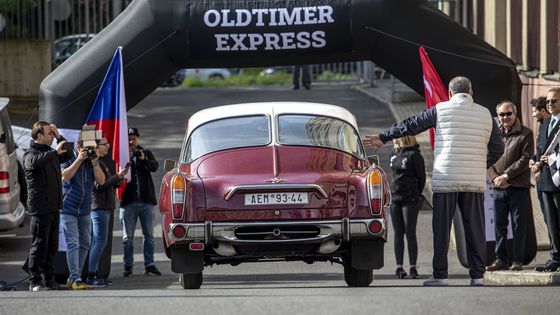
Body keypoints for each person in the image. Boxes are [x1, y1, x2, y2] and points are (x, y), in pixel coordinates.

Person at [363, 76, 504, 286]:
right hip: (473, 181)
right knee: (475, 229)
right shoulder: (486, 114)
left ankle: (440, 275)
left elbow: (412, 125)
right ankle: (477, 275)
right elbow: (498, 148)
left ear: (449, 93)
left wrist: (384, 136)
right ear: (471, 92)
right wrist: (479, 164)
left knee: (442, 229)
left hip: (446, 178)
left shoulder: (441, 109)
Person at [24, 122, 72, 291]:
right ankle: (34, 281)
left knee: (52, 246)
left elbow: (69, 154)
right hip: (40, 208)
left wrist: (59, 136)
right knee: (39, 244)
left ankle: (49, 280)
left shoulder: (50, 153)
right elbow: (33, 163)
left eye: (53, 133)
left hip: (54, 207)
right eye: (49, 133)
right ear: (38, 136)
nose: (52, 136)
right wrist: (54, 152)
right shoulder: (31, 153)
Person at [486, 101, 534, 272]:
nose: (505, 117)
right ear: (497, 116)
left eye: (508, 114)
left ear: (515, 114)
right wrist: (495, 179)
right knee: (499, 226)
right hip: (498, 187)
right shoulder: (491, 134)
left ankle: (518, 260)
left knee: (518, 225)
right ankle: (501, 260)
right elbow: (486, 159)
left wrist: (506, 176)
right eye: (501, 114)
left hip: (518, 187)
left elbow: (525, 159)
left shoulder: (526, 133)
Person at [61, 136, 106, 289]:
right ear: (79, 147)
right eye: (88, 148)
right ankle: (75, 279)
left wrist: (94, 163)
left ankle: (75, 277)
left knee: (86, 243)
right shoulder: (69, 157)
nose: (90, 151)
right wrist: (79, 160)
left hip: (85, 209)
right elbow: (65, 176)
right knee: (73, 243)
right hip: (68, 208)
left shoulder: (91, 161)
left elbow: (101, 181)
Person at [86, 137, 129, 287]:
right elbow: (100, 186)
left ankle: (95, 273)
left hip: (104, 206)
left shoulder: (101, 162)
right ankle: (91, 275)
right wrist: (116, 177)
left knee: (99, 242)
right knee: (99, 242)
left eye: (108, 144)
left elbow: (107, 183)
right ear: (96, 147)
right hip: (99, 207)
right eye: (105, 144)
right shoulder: (95, 163)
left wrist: (118, 180)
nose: (108, 147)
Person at [120, 127, 161, 277]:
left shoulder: (146, 153)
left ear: (138, 139)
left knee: (149, 235)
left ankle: (149, 265)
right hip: (128, 202)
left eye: (134, 138)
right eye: (129, 139)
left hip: (146, 202)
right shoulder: (123, 155)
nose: (131, 141)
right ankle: (128, 265)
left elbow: (155, 167)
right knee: (127, 237)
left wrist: (143, 159)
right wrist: (129, 159)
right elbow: (118, 172)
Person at [389, 135, 426, 279]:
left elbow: (421, 178)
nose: (392, 139)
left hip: (410, 198)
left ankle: (412, 267)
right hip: (395, 198)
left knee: (410, 231)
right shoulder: (393, 154)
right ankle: (399, 267)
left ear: (402, 138)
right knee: (398, 232)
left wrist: (416, 193)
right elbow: (393, 174)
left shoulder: (415, 155)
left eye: (395, 136)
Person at [533, 87, 560, 272]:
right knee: (550, 220)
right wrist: (535, 163)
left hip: (558, 178)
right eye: (548, 101)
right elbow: (540, 150)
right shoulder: (546, 122)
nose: (550, 104)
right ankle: (555, 256)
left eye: (554, 101)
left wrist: (549, 159)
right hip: (545, 179)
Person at [530, 96, 551, 221]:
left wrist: (540, 169)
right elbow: (541, 151)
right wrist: (533, 159)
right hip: (541, 178)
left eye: (534, 111)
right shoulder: (542, 126)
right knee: (547, 217)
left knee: (551, 217)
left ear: (543, 111)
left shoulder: (551, 127)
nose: (533, 115)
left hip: (548, 178)